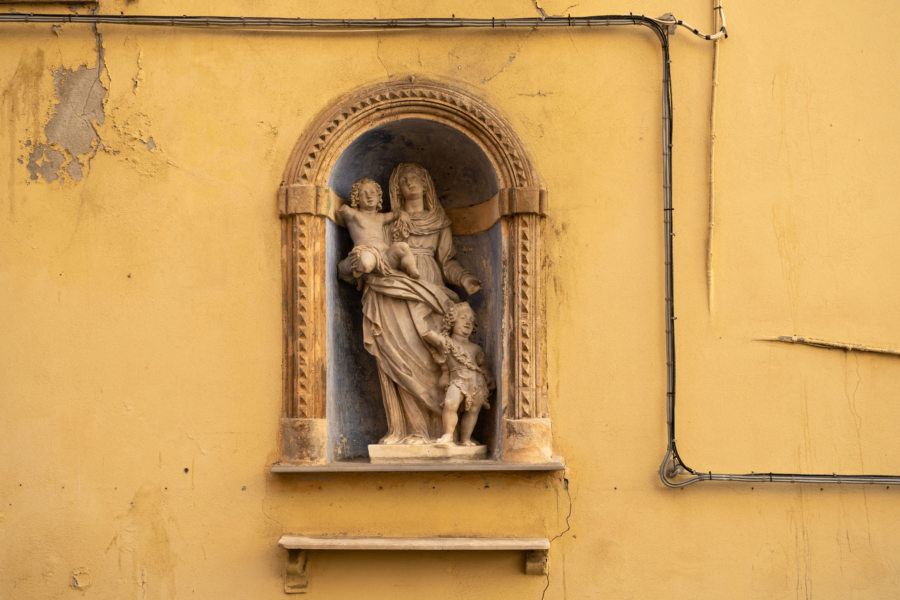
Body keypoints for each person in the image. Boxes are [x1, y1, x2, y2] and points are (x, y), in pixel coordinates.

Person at [359, 163, 483, 445]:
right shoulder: (390, 220)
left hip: (430, 289)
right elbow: (376, 248)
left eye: (416, 179)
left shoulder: (440, 221)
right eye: (404, 180)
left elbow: (447, 261)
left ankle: (438, 432)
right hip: (394, 288)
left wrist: (464, 279)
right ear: (397, 189)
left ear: (426, 185)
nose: (410, 184)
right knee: (397, 356)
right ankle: (404, 430)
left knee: (430, 360)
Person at [424, 302, 492, 446]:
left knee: (473, 411)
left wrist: (489, 377)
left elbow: (482, 366)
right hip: (458, 379)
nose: (468, 322)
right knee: (450, 403)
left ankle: (465, 439)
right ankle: (448, 435)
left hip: (477, 382)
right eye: (463, 318)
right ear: (452, 321)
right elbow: (428, 335)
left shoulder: (476, 348)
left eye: (471, 321)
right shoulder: (447, 343)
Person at [338, 178, 419, 280]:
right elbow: (341, 208)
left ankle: (413, 271)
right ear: (357, 198)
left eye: (373, 192)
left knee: (403, 247)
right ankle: (345, 267)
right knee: (366, 264)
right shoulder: (354, 215)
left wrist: (403, 214)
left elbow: (396, 214)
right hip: (367, 251)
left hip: (385, 254)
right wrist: (343, 208)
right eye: (364, 193)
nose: (369, 196)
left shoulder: (381, 217)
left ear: (378, 197)